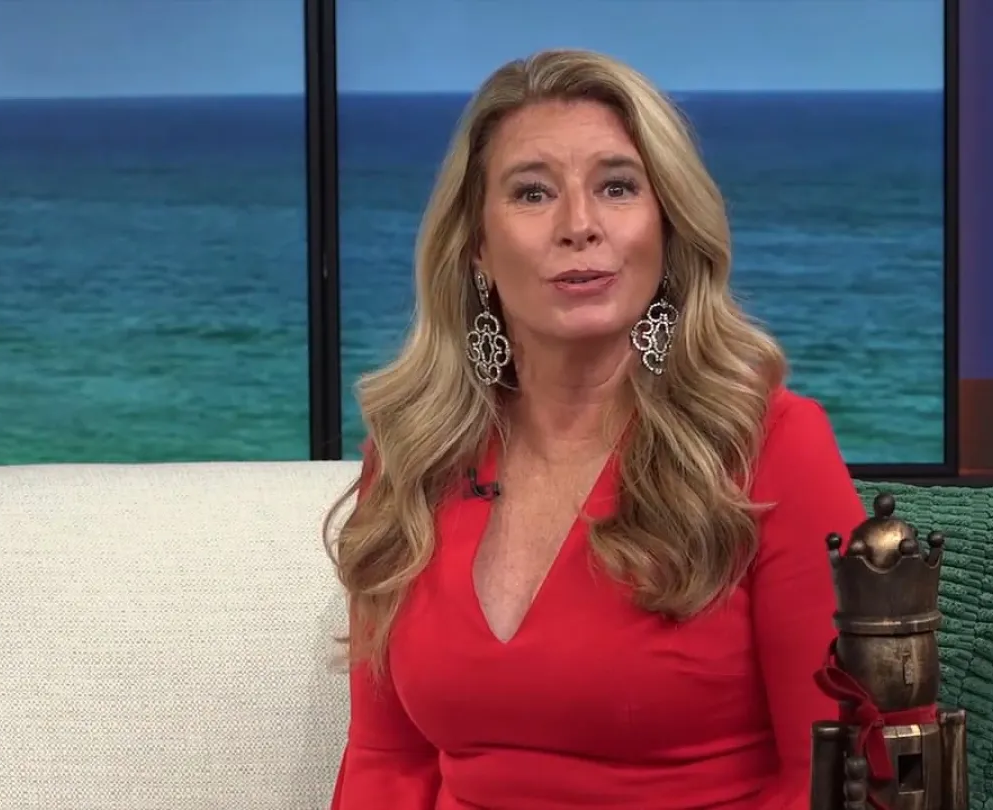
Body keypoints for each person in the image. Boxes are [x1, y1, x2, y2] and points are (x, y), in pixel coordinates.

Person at [326, 48, 868, 810]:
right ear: (478, 246)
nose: (579, 226)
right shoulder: (413, 457)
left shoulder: (773, 445)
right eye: (532, 192)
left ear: (668, 227)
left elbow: (841, 774)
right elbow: (387, 763)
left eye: (617, 187)